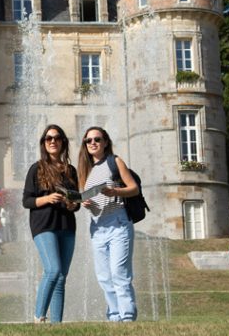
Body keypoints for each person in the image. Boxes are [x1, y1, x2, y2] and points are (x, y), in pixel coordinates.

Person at [78, 126, 139, 322]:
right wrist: (85, 202)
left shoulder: (115, 161)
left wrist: (116, 192)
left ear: (105, 142)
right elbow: (88, 200)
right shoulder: (85, 170)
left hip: (118, 222)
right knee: (104, 276)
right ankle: (114, 315)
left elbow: (133, 189)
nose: (93, 143)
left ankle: (127, 316)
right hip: (97, 226)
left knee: (119, 273)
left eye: (97, 139)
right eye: (89, 140)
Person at [22, 124, 80, 323]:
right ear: (44, 143)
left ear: (63, 142)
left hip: (67, 225)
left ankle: (57, 324)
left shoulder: (71, 170)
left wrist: (72, 204)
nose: (53, 141)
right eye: (48, 138)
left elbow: (76, 205)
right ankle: (39, 317)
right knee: (53, 270)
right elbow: (27, 201)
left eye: (57, 138)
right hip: (44, 225)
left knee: (62, 277)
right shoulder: (36, 168)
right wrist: (47, 199)